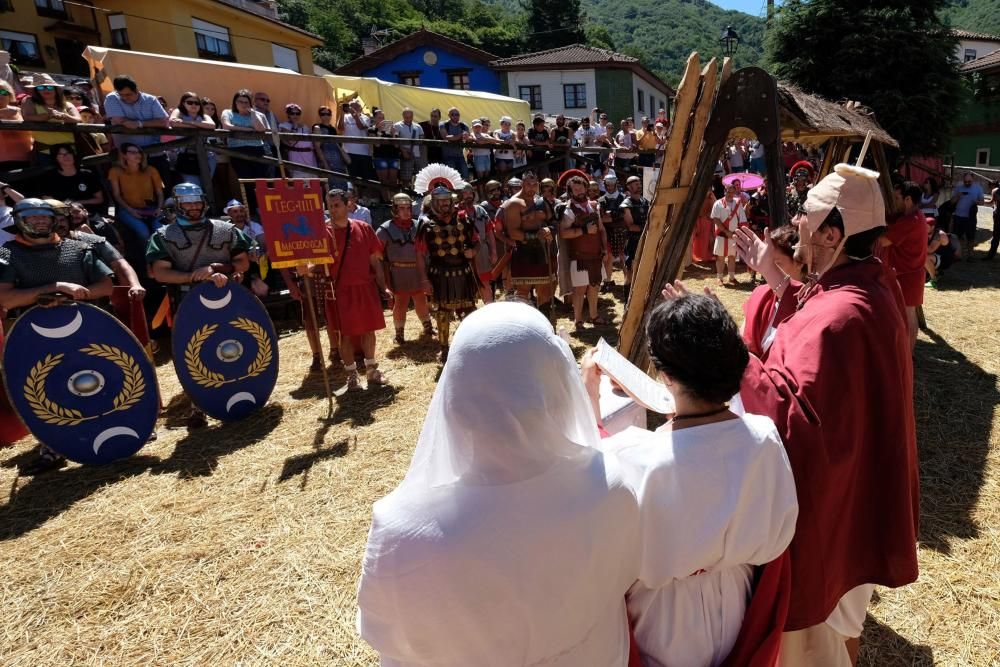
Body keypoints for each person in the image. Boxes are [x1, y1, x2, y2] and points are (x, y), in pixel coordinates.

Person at [357, 301, 641, 666]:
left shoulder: (401, 531)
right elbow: (625, 579)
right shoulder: (610, 486)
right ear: (557, 390)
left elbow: (393, 643)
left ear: (454, 401)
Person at [733, 163, 919, 665]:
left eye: (806, 219)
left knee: (824, 638)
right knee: (843, 620)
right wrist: (775, 277)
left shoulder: (841, 314)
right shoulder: (869, 284)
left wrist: (729, 358)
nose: (797, 225)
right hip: (855, 481)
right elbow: (812, 310)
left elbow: (790, 417)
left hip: (832, 499)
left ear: (834, 233)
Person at [594, 294, 798, 667]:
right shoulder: (764, 437)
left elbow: (591, 493)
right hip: (737, 603)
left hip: (662, 616)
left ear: (667, 377)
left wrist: (591, 400)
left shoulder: (633, 456)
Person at [0, 198, 114, 474]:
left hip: (83, 326)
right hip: (36, 333)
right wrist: (50, 289)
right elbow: (5, 297)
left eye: (44, 216)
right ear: (20, 219)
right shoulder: (8, 255)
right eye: (32, 216)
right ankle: (52, 447)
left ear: (53, 219)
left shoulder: (78, 248)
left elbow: (106, 286)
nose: (39, 221)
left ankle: (118, 428)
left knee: (98, 378)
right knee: (48, 390)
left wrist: (72, 295)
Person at [146, 183, 251, 425]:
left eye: (196, 202)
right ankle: (198, 404)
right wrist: (194, 277)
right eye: (187, 203)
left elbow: (242, 262)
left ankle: (239, 389)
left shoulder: (225, 229)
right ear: (178, 204)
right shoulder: (164, 235)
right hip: (187, 299)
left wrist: (215, 268)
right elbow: (160, 273)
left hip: (227, 296)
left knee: (234, 341)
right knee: (194, 350)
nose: (193, 207)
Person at [317, 189, 391, 389]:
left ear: (348, 205)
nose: (332, 210)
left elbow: (375, 261)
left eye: (336, 205)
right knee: (346, 334)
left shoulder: (364, 228)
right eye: (329, 206)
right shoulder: (323, 233)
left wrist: (384, 287)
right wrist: (304, 269)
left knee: (369, 330)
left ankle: (371, 370)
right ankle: (351, 374)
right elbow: (315, 265)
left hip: (365, 288)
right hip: (341, 291)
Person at [415, 179, 481, 362]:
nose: (445, 203)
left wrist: (473, 251)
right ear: (434, 202)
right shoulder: (426, 224)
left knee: (468, 310)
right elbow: (420, 254)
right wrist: (424, 280)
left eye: (447, 200)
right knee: (443, 312)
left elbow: (477, 240)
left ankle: (472, 345)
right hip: (440, 274)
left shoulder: (464, 219)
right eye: (440, 200)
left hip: (463, 272)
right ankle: (444, 348)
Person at [377, 193, 434, 343]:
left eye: (408, 208)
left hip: (418, 271)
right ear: (395, 210)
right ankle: (399, 334)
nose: (406, 211)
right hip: (398, 273)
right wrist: (384, 280)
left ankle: (427, 326)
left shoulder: (419, 225)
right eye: (401, 208)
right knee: (400, 303)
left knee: (421, 300)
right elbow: (377, 256)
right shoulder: (385, 230)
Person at [878, 181, 928, 351]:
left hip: (908, 276)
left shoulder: (911, 220)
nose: (895, 200)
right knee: (907, 316)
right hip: (908, 274)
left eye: (897, 197)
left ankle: (907, 357)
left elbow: (883, 241)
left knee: (907, 318)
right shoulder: (911, 217)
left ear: (908, 199)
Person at [501, 172, 557, 319]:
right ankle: (523, 326)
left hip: (543, 251)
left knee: (545, 290)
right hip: (524, 252)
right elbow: (513, 232)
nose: (532, 188)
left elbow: (553, 222)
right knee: (522, 293)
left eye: (534, 184)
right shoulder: (514, 204)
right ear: (522, 184)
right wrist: (535, 236)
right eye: (528, 184)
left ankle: (545, 324)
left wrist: (549, 230)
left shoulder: (541, 201)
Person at [559, 175, 607, 331]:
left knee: (594, 287)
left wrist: (605, 248)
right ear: (570, 191)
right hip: (579, 257)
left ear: (586, 188)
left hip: (596, 255)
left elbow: (601, 229)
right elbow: (564, 233)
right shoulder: (569, 209)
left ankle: (593, 316)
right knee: (579, 290)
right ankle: (578, 321)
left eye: (581, 188)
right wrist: (584, 230)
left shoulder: (594, 206)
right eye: (575, 188)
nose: (578, 191)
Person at [101, 74, 170, 178]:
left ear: (137, 90)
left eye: (128, 94)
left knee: (164, 188)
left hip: (155, 153)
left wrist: (139, 124)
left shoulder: (151, 100)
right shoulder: (112, 98)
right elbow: (119, 120)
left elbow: (164, 122)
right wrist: (151, 122)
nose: (124, 98)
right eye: (121, 95)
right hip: (127, 158)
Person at [19, 73, 80, 165]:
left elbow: (78, 119)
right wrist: (46, 116)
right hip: (45, 152)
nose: (45, 90)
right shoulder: (29, 101)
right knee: (48, 178)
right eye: (40, 87)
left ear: (56, 89)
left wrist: (64, 116)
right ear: (36, 90)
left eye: (49, 87)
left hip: (69, 150)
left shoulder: (67, 104)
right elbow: (27, 117)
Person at [38, 144, 105, 215]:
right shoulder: (49, 177)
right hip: (63, 215)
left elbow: (99, 199)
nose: (66, 156)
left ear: (73, 155)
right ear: (55, 158)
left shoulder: (87, 174)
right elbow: (48, 201)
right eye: (60, 154)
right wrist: (66, 207)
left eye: (68, 153)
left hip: (88, 213)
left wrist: (77, 203)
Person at [458, 183, 497, 304]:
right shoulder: (455, 212)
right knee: (464, 284)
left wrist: (494, 252)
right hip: (461, 253)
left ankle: (489, 308)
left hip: (482, 251)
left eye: (470, 193)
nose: (468, 196)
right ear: (460, 195)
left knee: (485, 282)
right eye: (464, 193)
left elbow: (490, 231)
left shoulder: (480, 210)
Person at [169, 92, 217, 188]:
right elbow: (173, 122)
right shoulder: (178, 112)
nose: (194, 105)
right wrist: (199, 125)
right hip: (187, 156)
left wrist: (187, 122)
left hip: (207, 156)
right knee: (193, 186)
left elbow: (212, 125)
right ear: (183, 103)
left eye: (196, 103)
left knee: (206, 186)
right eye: (190, 102)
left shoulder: (204, 116)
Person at [711, 182, 748, 286]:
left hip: (733, 235)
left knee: (732, 256)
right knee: (720, 257)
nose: (730, 194)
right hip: (722, 235)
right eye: (728, 191)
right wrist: (726, 231)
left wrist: (740, 232)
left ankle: (731, 278)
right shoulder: (718, 203)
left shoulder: (738, 204)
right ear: (724, 191)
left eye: (732, 192)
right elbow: (716, 219)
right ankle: (719, 278)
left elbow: (742, 220)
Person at [620, 175, 649, 288]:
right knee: (630, 272)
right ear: (629, 187)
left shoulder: (645, 201)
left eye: (639, 183)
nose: (639, 185)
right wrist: (647, 228)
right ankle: (628, 301)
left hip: (645, 240)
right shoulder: (626, 204)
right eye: (636, 184)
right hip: (633, 242)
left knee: (645, 270)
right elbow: (631, 226)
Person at [599, 174, 627, 292]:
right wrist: (616, 216)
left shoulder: (624, 198)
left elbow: (624, 215)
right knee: (608, 258)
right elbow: (602, 218)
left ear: (615, 184)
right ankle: (607, 281)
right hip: (608, 232)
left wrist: (613, 217)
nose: (609, 187)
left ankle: (628, 281)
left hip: (622, 231)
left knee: (625, 257)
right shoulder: (601, 200)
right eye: (607, 185)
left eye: (611, 184)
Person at [278, 103, 320, 179]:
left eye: (298, 113)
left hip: (310, 157)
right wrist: (295, 126)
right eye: (292, 113)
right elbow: (291, 141)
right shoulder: (284, 125)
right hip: (296, 156)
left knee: (313, 181)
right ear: (288, 114)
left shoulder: (305, 126)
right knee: (299, 181)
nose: (295, 115)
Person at [314, 106, 350, 190]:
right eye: (323, 114)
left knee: (342, 186)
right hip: (328, 160)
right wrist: (325, 163)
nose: (326, 116)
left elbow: (337, 145)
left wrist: (345, 157)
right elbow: (317, 147)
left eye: (328, 114)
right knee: (330, 188)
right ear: (320, 115)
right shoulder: (317, 127)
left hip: (338, 161)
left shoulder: (333, 129)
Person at [951, 172, 985, 258]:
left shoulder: (978, 188)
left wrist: (977, 202)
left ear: (972, 180)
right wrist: (958, 196)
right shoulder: (959, 187)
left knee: (971, 237)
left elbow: (982, 202)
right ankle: (957, 254)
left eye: (969, 182)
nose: (967, 183)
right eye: (965, 181)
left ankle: (970, 255)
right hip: (958, 216)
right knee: (956, 236)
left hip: (970, 217)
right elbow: (952, 202)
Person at [0, 79, 32, 171]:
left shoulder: (20, 111)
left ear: (10, 94)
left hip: (24, 158)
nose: (0, 95)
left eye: (3, 92)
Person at [369, 108, 400, 200]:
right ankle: (386, 201)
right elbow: (377, 145)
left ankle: (394, 200)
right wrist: (378, 131)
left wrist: (394, 134)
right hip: (380, 157)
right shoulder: (371, 129)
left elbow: (397, 146)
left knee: (394, 181)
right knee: (383, 181)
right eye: (379, 118)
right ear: (374, 119)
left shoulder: (391, 129)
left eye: (383, 117)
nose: (381, 120)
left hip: (393, 156)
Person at [341, 100, 373, 185]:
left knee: (365, 178)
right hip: (348, 152)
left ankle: (364, 196)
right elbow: (340, 127)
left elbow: (361, 127)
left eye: (356, 107)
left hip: (363, 152)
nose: (353, 108)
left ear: (360, 108)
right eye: (351, 106)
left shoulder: (365, 117)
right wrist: (341, 113)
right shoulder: (345, 116)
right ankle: (354, 196)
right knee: (352, 177)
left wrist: (355, 117)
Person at [393, 107, 423, 187]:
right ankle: (405, 197)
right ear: (403, 116)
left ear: (413, 116)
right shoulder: (397, 126)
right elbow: (395, 140)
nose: (408, 119)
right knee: (406, 179)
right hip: (405, 155)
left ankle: (418, 196)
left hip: (418, 155)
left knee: (420, 177)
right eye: (406, 117)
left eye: (410, 117)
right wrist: (403, 151)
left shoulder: (418, 126)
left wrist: (423, 157)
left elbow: (422, 140)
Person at [439, 107, 470, 178]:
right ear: (449, 115)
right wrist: (461, 135)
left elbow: (469, 137)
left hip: (460, 156)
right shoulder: (443, 124)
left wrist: (467, 137)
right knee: (451, 178)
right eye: (453, 114)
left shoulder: (464, 125)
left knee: (465, 177)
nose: (455, 116)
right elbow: (446, 137)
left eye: (457, 114)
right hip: (447, 156)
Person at [988, 180, 1000, 260]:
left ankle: (990, 256)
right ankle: (990, 255)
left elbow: (992, 201)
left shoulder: (995, 191)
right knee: (996, 236)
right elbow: (993, 201)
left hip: (998, 214)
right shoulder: (996, 191)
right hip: (998, 214)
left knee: (996, 236)